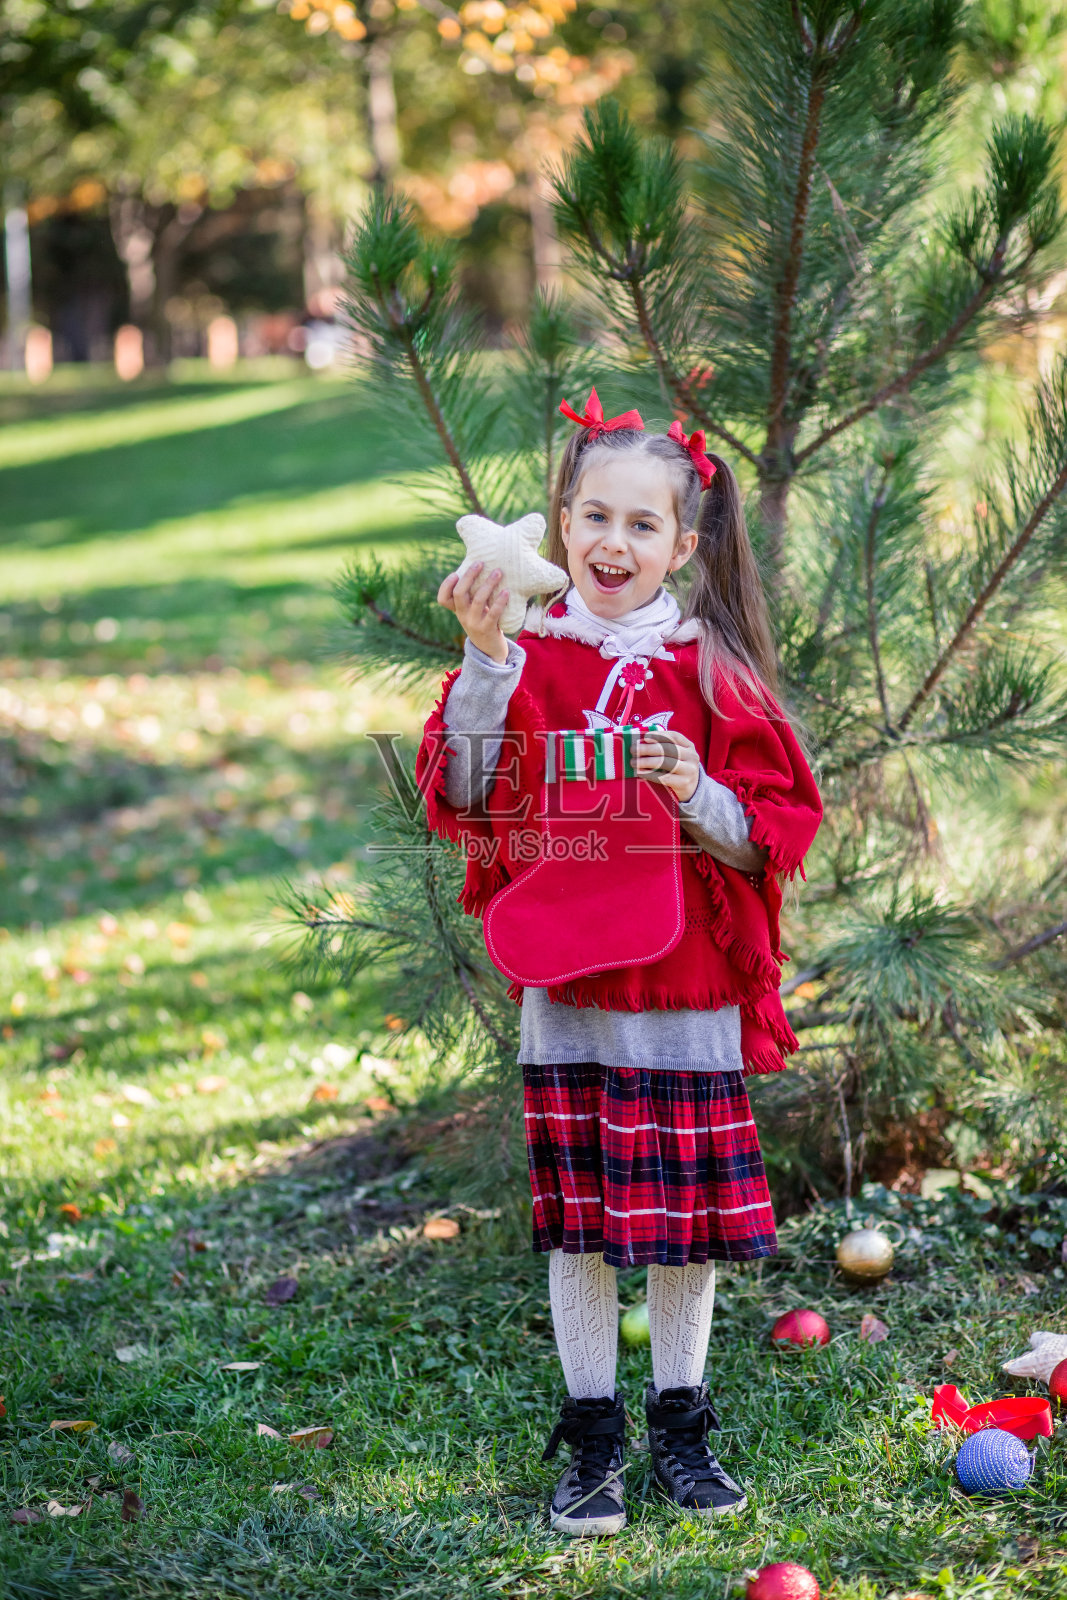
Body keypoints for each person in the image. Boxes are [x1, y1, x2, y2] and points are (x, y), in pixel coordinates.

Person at [415, 391, 822, 1537]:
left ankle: (679, 1425)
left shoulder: (712, 669)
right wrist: (484, 657)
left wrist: (694, 789)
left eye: (642, 525)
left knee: (684, 1223)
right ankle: (591, 1434)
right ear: (561, 522)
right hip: (571, 986)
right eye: (594, 515)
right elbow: (461, 789)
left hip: (684, 992)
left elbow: (768, 834)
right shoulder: (527, 656)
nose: (612, 541)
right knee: (582, 1221)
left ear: (681, 545)